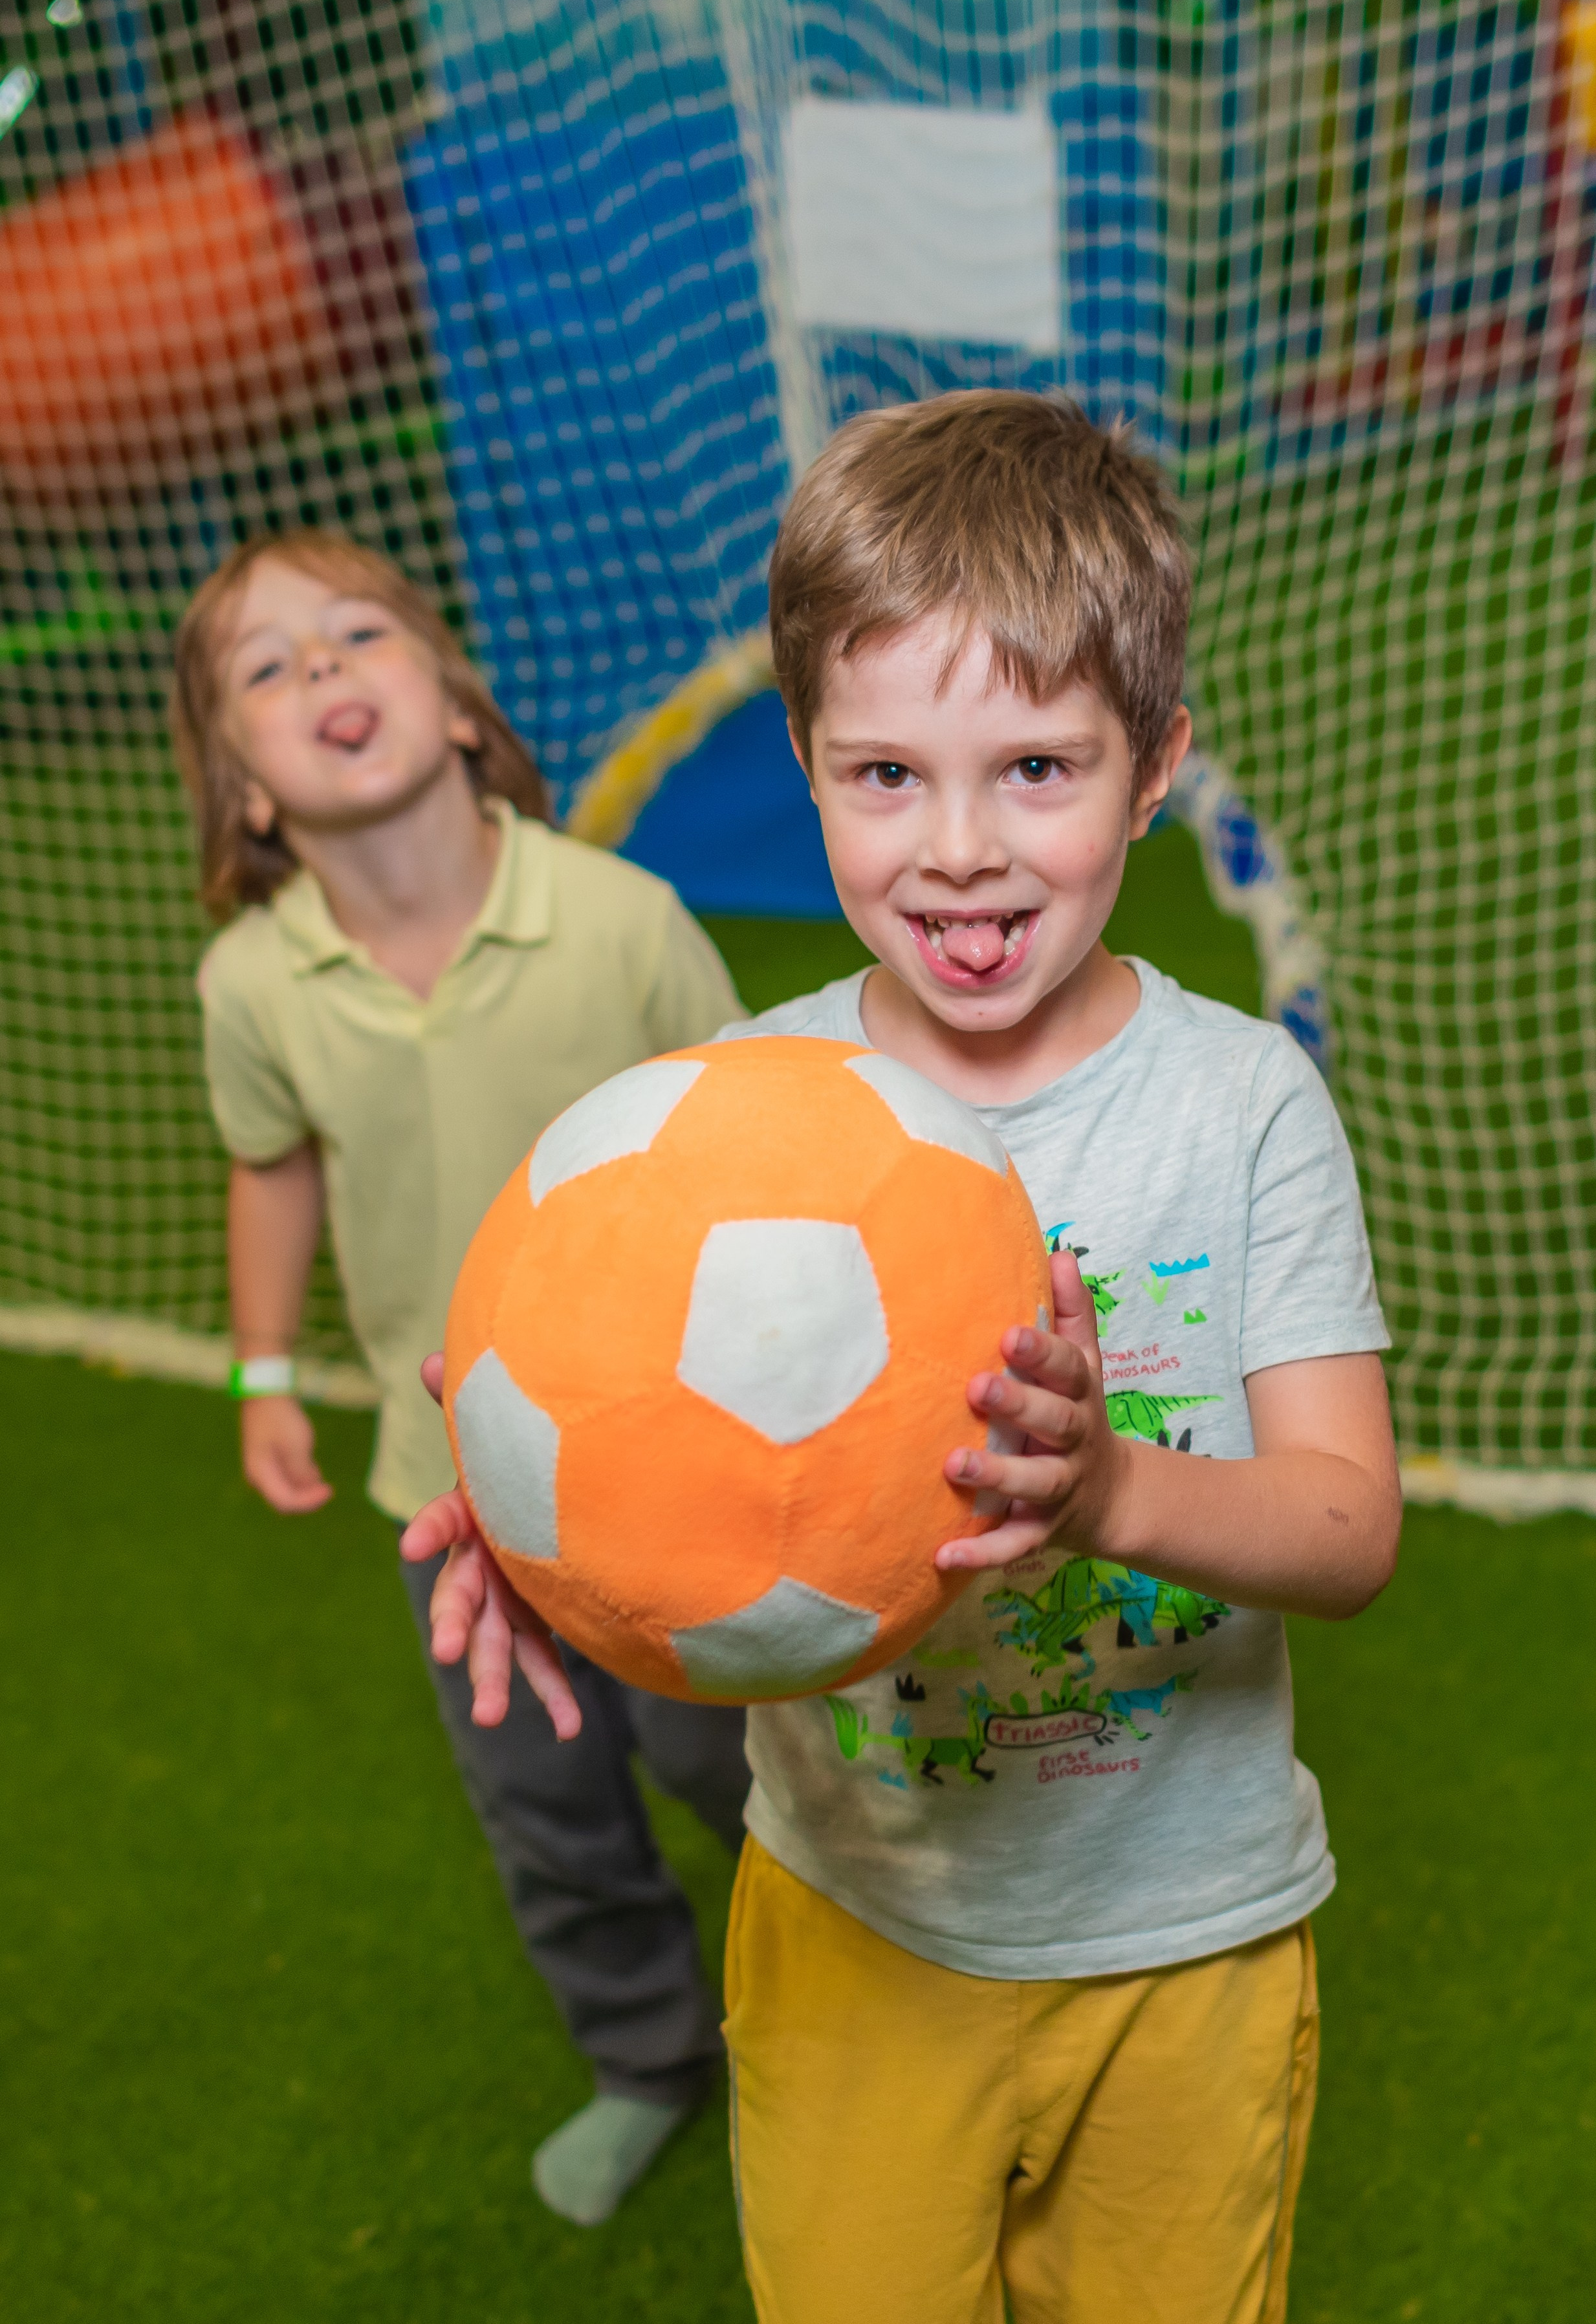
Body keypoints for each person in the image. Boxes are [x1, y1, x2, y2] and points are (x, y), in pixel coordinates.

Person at [404, 391, 1403, 2322]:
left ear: (1154, 769)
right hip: (859, 1925)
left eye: (1036, 765)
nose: (957, 851)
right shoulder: (724, 1114)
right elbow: (643, 1444)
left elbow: (1347, 1528)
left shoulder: (1237, 1102)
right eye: (883, 776)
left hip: (1181, 1944)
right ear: (801, 762)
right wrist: (550, 1549)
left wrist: (1102, 1485)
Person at [171, 530, 750, 2227]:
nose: (323, 675)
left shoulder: (620, 919)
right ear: (246, 790)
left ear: (457, 704)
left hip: (675, 1477)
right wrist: (261, 1369)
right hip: (453, 1510)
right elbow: (269, 1165)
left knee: (757, 1776)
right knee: (550, 1816)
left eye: (357, 635)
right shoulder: (249, 983)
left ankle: (878, 1997)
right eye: (267, 672)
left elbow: (746, 1156)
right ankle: (647, 2057)